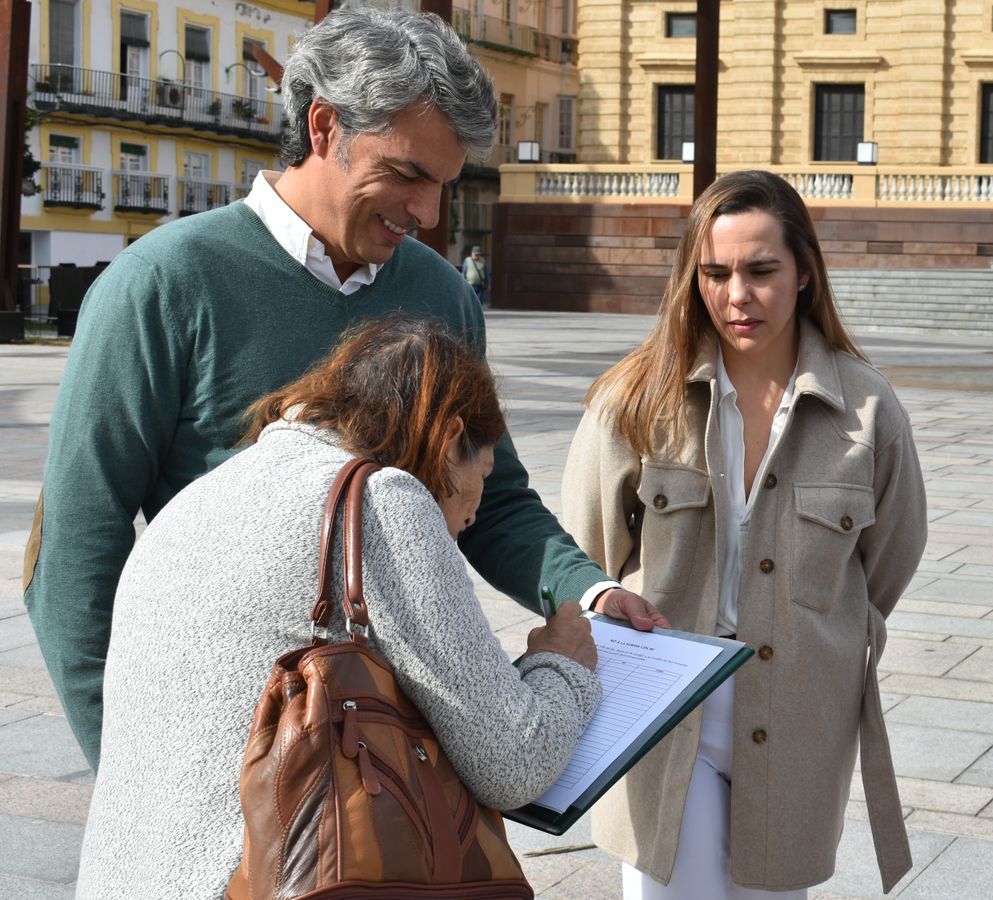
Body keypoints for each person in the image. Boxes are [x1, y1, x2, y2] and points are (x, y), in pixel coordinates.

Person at [22, 5, 663, 772]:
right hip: (220, 749)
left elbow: (495, 500)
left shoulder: (443, 298)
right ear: (324, 127)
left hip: (399, 768)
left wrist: (587, 593)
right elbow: (74, 556)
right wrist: (130, 769)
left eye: (445, 187)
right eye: (407, 175)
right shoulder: (162, 284)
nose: (427, 215)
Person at [72, 316, 603, 897]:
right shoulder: (381, 500)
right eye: (484, 471)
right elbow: (513, 760)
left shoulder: (210, 489)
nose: (474, 512)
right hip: (253, 880)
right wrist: (563, 662)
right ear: (451, 437)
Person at [561, 170, 928, 897]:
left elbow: (888, 561)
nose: (737, 295)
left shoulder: (867, 409)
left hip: (800, 716)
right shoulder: (635, 400)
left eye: (761, 271)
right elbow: (584, 550)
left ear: (803, 273)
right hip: (666, 709)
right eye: (716, 273)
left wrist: (820, 623)